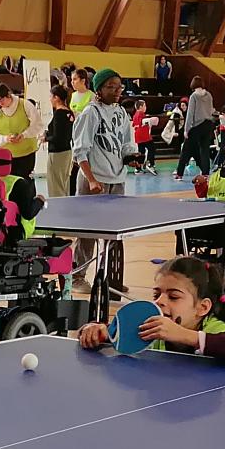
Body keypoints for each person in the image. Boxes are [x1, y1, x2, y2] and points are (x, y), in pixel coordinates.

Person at [74, 256, 225, 367]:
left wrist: (185, 336)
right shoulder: (152, 328)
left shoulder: (215, 329)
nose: (160, 302)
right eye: (157, 294)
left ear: (203, 307)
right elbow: (116, 334)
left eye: (173, 297)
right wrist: (97, 332)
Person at [71, 68, 137, 294]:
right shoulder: (90, 113)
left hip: (117, 180)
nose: (117, 91)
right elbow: (80, 150)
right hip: (94, 180)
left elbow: (126, 143)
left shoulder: (121, 112)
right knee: (88, 232)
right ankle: (77, 277)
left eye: (119, 87)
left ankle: (110, 279)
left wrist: (131, 158)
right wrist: (90, 179)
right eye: (111, 87)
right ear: (98, 89)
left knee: (114, 233)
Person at [0, 80, 40, 187]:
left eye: (2, 100)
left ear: (9, 95)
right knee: (9, 183)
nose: (0, 103)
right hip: (6, 156)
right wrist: (6, 139)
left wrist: (24, 135)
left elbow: (37, 124)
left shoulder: (25, 105)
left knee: (25, 182)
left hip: (27, 153)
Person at [175, 80, 217, 178]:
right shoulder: (209, 95)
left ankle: (179, 173)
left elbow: (190, 113)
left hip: (197, 125)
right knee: (205, 150)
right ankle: (205, 173)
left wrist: (186, 129)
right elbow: (211, 110)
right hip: (208, 124)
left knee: (186, 149)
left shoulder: (194, 96)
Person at [43, 83, 76, 197]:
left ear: (56, 97)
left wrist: (45, 138)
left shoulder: (59, 114)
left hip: (57, 154)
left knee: (55, 185)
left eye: (51, 96)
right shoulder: (69, 113)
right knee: (64, 183)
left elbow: (57, 137)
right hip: (67, 152)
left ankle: (57, 205)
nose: (50, 99)